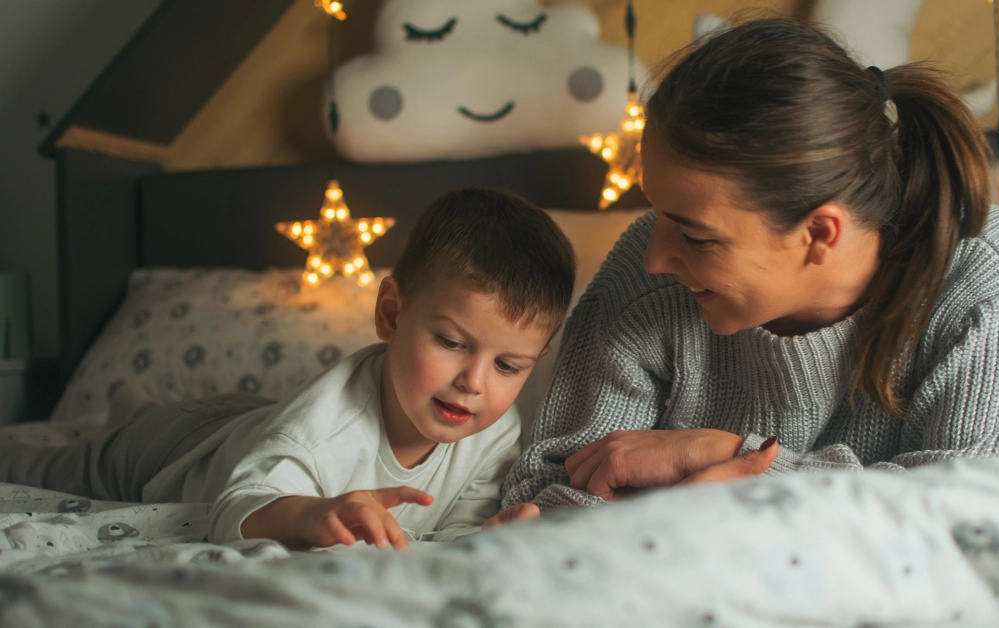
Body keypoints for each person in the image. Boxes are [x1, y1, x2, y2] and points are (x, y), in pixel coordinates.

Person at [492, 18, 999, 525]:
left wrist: (728, 461)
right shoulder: (652, 275)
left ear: (819, 234)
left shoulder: (992, 279)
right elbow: (539, 493)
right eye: (656, 213)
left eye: (696, 235)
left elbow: (981, 519)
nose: (655, 257)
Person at [1, 187, 576, 549]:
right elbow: (236, 511)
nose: (474, 382)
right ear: (391, 314)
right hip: (177, 447)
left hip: (251, 422)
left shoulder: (496, 433)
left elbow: (450, 536)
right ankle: (133, 414)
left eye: (508, 364)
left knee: (199, 419)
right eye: (451, 342)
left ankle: (135, 402)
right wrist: (312, 516)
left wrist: (486, 541)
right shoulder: (325, 423)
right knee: (63, 466)